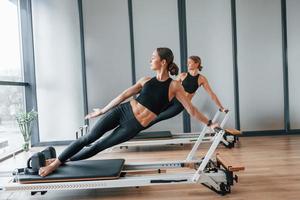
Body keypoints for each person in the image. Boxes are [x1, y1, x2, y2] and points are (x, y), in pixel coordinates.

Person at [39, 47, 218, 177]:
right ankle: (56, 163)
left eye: (153, 57)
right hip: (122, 112)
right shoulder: (145, 80)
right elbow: (123, 95)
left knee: (98, 147)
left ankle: (66, 160)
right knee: (88, 138)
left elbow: (191, 109)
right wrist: (102, 111)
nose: (150, 60)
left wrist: (209, 123)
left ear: (163, 62)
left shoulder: (174, 86)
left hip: (133, 126)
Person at [145, 55, 226, 129]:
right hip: (171, 100)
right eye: (187, 63)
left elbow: (211, 94)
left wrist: (221, 107)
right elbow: (168, 87)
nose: (187, 64)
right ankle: (138, 126)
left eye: (190, 62)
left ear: (197, 63)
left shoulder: (201, 79)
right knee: (151, 113)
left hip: (180, 105)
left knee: (158, 117)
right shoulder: (182, 75)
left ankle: (139, 127)